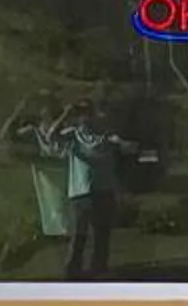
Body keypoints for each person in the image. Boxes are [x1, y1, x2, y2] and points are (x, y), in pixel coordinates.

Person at [32, 92, 132, 279]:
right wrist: (65, 115)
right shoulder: (74, 136)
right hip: (82, 192)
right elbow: (51, 136)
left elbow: (119, 143)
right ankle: (73, 270)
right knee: (79, 235)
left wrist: (123, 145)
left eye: (87, 112)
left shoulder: (104, 134)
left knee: (102, 234)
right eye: (81, 113)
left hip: (103, 190)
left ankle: (99, 268)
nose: (84, 117)